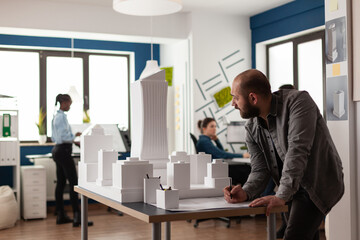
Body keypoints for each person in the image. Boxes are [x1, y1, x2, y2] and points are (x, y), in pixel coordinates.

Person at [223, 69, 344, 240]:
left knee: (293, 236)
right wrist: (245, 191)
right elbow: (260, 169)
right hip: (290, 188)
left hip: (316, 183)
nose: (233, 104)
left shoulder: (299, 102)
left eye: (235, 97)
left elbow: (297, 151)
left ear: (253, 98)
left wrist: (282, 195)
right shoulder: (251, 128)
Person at [51, 94, 92, 227]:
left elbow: (56, 137)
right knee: (74, 182)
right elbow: (64, 137)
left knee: (61, 183)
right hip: (63, 152)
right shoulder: (61, 117)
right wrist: (75, 136)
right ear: (63, 102)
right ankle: (77, 217)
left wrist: (74, 141)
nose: (70, 105)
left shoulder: (56, 116)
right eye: (69, 103)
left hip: (58, 150)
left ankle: (61, 215)